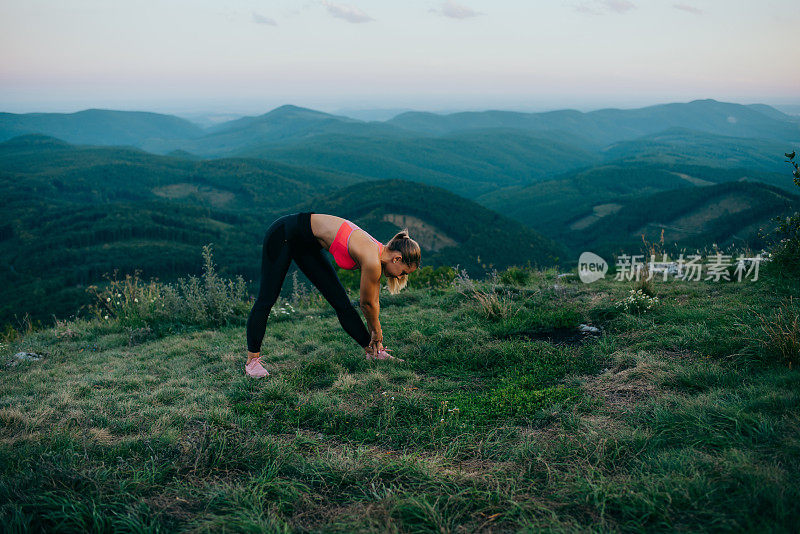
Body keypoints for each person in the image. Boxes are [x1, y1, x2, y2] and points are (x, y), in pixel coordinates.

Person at [245, 211, 421, 377]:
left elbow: (373, 301)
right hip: (284, 233)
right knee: (266, 299)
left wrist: (376, 333)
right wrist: (377, 331)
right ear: (397, 258)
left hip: (306, 244)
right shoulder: (372, 258)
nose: (400, 276)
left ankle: (373, 352)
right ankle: (252, 362)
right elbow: (366, 304)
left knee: (341, 303)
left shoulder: (377, 255)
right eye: (403, 272)